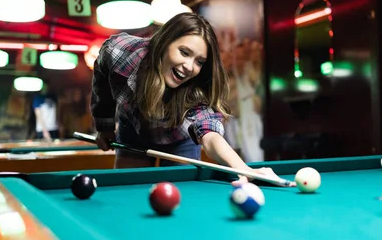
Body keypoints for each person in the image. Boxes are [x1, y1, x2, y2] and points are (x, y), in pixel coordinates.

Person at [90, 12, 292, 187]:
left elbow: (211, 137)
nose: (189, 67)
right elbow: (101, 82)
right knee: (127, 193)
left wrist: (245, 170)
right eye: (184, 52)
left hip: (179, 141)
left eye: (199, 61)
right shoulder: (119, 53)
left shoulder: (196, 92)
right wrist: (104, 124)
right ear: (164, 42)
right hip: (133, 131)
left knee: (181, 196)